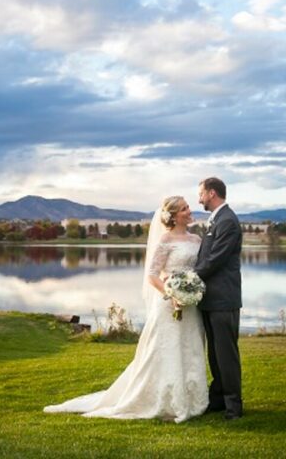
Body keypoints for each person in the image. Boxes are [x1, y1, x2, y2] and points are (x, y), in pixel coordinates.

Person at [43, 196, 208, 422]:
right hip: (169, 305)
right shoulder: (165, 240)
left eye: (189, 207)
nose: (190, 211)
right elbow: (152, 275)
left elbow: (199, 269)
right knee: (164, 351)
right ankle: (164, 399)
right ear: (173, 216)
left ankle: (192, 399)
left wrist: (189, 290)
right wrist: (172, 294)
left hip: (190, 306)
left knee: (190, 348)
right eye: (184, 209)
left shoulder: (196, 239)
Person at [195, 177, 243, 420]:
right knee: (214, 353)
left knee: (226, 354)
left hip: (224, 298)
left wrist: (190, 278)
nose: (198, 198)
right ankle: (218, 399)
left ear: (212, 193)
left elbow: (216, 259)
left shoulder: (228, 222)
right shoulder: (216, 220)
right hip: (211, 299)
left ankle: (234, 405)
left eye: (201, 193)